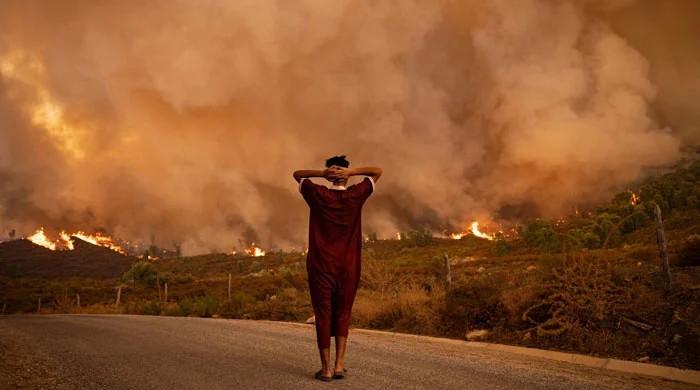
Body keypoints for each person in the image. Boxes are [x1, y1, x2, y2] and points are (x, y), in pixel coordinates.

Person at [293, 155, 382, 382]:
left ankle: (326, 370)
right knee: (343, 312)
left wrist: (321, 174)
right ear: (344, 173)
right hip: (349, 265)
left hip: (321, 265)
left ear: (331, 174)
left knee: (323, 314)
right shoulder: (356, 195)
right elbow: (377, 171)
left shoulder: (318, 194)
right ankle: (340, 365)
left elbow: (297, 175)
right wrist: (352, 173)